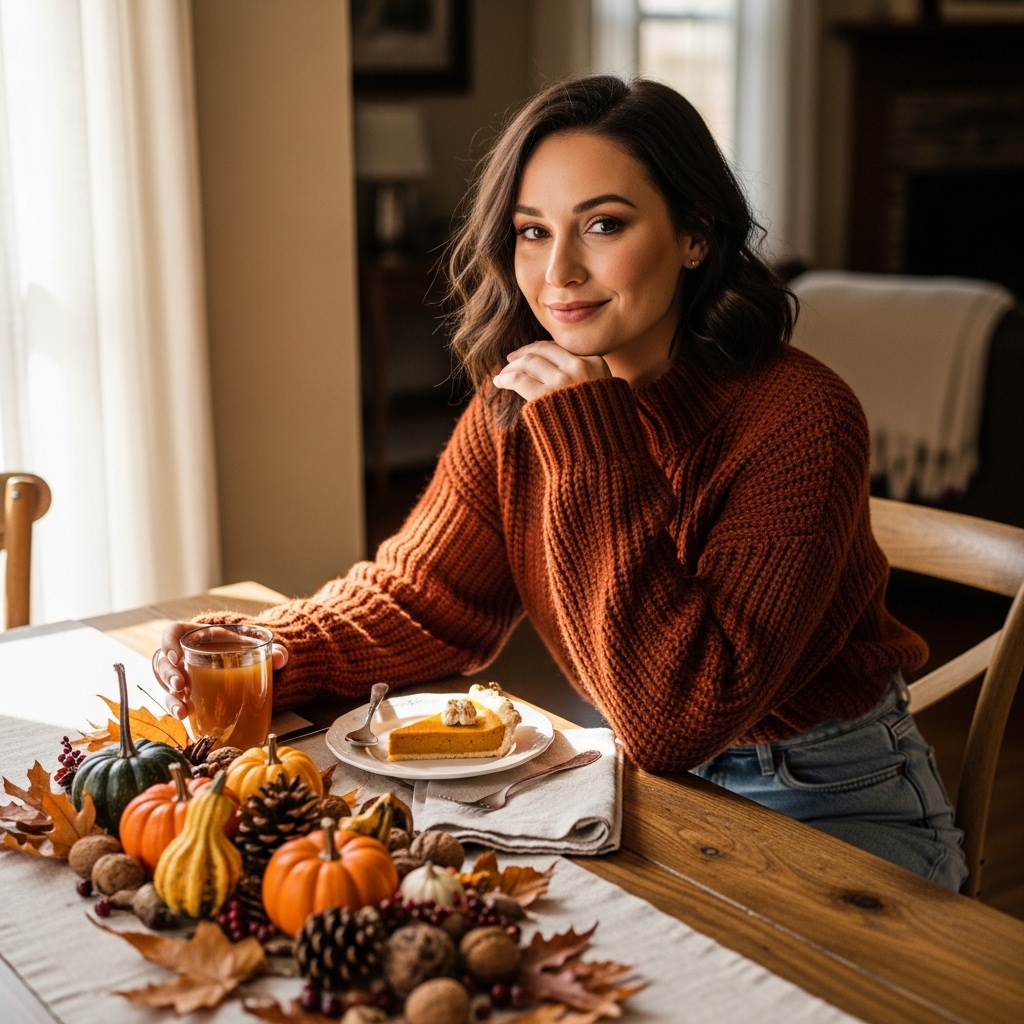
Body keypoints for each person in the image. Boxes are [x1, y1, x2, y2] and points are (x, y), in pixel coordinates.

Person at [154, 77, 967, 891]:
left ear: (695, 234)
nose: (560, 271)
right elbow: (424, 599)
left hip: (827, 798)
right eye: (532, 232)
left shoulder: (802, 420)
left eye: (604, 225)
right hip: (638, 782)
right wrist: (269, 648)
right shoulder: (522, 402)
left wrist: (594, 442)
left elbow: (676, 715)